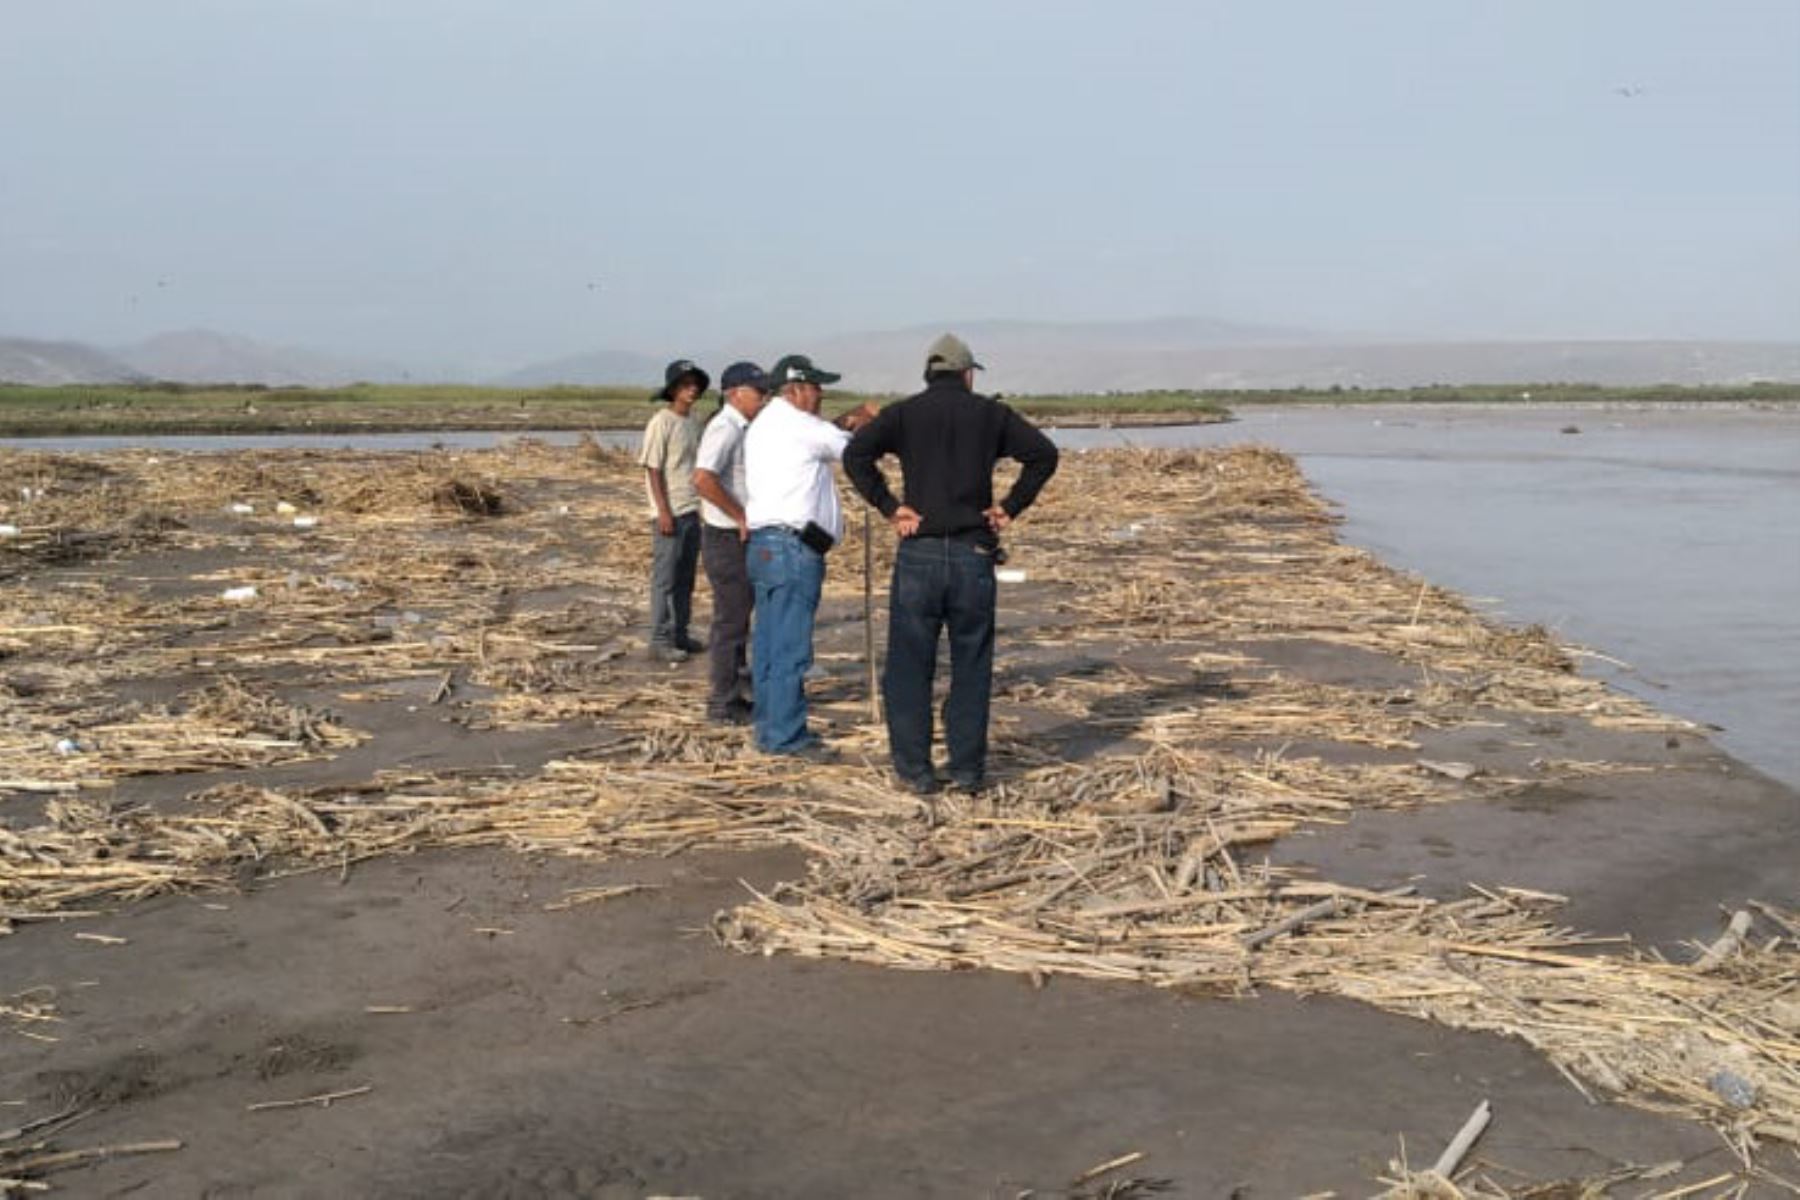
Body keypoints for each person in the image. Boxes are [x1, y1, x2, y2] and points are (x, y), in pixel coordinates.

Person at [843, 333, 1059, 794]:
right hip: (971, 554)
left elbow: (855, 454)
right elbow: (1044, 454)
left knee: (909, 666)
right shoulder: (990, 414)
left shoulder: (904, 414)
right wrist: (1010, 506)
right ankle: (966, 770)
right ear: (968, 374)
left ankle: (916, 772)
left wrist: (889, 506)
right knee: (971, 664)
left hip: (919, 552)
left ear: (929, 373)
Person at [742, 354, 874, 759]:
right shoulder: (799, 424)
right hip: (791, 548)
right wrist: (866, 424)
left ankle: (769, 728)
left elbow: (823, 438)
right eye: (816, 388)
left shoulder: (768, 423)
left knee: (768, 644)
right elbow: (849, 450)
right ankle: (785, 736)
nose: (820, 396)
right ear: (796, 389)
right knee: (789, 648)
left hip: (767, 544)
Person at [691, 361, 770, 724]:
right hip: (724, 536)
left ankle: (736, 694)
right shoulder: (724, 428)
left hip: (734, 535)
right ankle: (721, 702)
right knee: (730, 621)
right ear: (735, 393)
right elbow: (703, 479)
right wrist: (739, 515)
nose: (764, 399)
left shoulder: (744, 427)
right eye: (758, 393)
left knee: (739, 618)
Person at [638, 358, 709, 664]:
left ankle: (680, 632)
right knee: (664, 578)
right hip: (670, 511)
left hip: (692, 508)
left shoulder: (693, 421)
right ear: (673, 390)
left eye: (694, 385)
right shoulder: (661, 422)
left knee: (685, 577)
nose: (691, 390)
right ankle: (658, 639)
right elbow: (653, 469)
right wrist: (663, 511)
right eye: (685, 385)